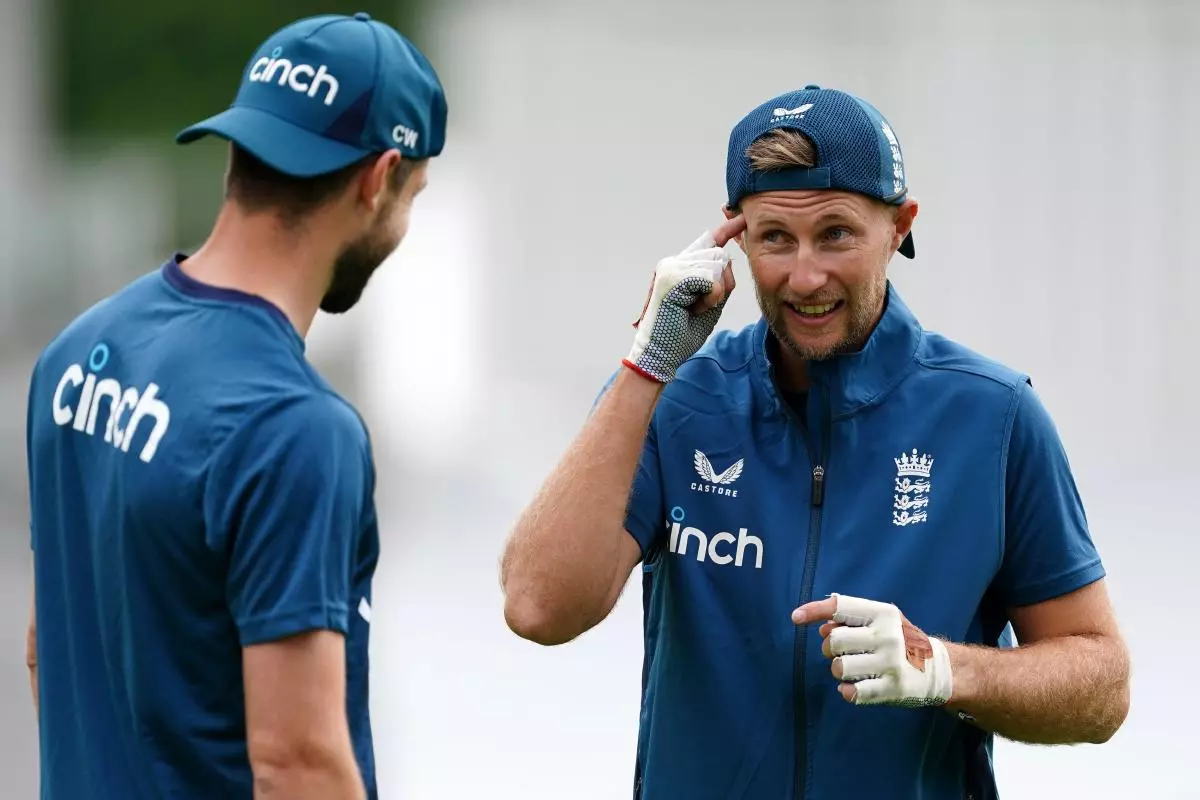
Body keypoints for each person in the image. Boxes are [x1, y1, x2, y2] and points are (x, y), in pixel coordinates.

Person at [500, 84, 1130, 799]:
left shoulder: (993, 415)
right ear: (735, 236)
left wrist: (945, 669)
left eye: (835, 234)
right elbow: (539, 607)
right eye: (775, 237)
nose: (805, 277)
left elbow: (1100, 685)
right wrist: (649, 361)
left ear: (899, 226)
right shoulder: (676, 398)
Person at [24, 12, 446, 799]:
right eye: (412, 197)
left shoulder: (76, 354)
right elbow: (296, 762)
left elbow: (51, 648)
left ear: (239, 149)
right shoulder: (295, 429)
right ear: (378, 177)